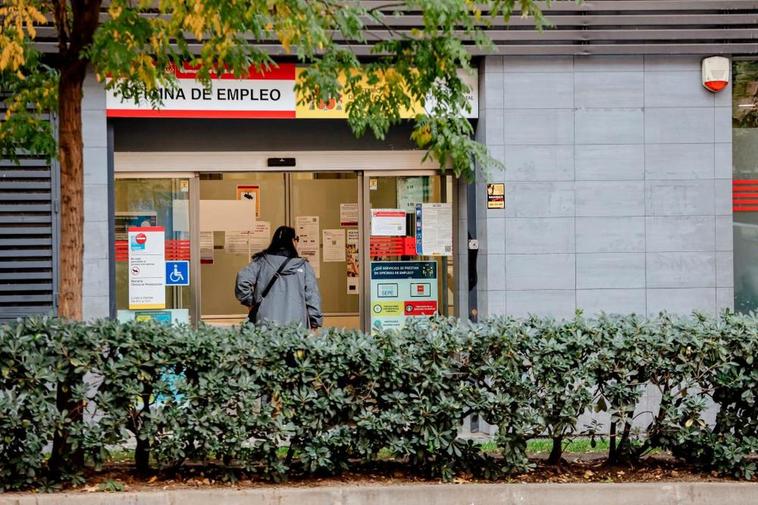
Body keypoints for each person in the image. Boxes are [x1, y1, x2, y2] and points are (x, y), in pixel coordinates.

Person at [235, 225, 323, 328]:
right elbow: (312, 296)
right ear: (293, 241)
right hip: (296, 325)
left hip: (265, 323)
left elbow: (242, 281)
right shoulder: (304, 266)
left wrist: (251, 302)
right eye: (297, 239)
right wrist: (315, 322)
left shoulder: (261, 262)